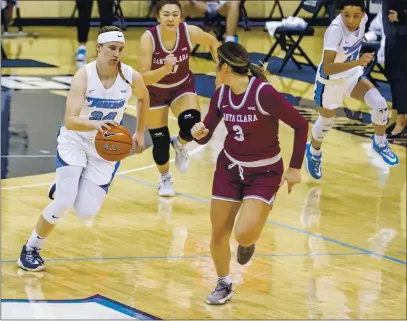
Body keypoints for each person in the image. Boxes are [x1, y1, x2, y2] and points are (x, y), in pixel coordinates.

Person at [17, 26, 150, 272]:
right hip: (75, 139)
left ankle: (61, 185)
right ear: (98, 48)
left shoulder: (131, 76)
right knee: (64, 201)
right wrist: (95, 124)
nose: (116, 54)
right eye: (111, 48)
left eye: (120, 49)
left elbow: (144, 97)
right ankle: (32, 247)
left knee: (86, 212)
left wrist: (140, 131)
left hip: (106, 146)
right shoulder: (84, 76)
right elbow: (70, 119)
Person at [191, 42, 309, 305]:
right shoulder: (220, 95)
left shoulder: (263, 93)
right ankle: (223, 283)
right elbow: (206, 133)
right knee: (219, 231)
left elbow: (301, 125)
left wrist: (294, 168)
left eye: (215, 65)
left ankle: (248, 241)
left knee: (243, 234)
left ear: (224, 68)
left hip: (264, 172)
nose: (213, 69)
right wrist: (198, 134)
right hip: (230, 167)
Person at [306, 0, 399, 180]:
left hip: (351, 75)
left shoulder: (364, 20)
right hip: (330, 81)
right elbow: (327, 67)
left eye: (356, 16)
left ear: (363, 14)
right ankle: (314, 151)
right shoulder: (335, 31)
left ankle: (380, 143)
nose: (351, 20)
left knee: (380, 104)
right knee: (326, 122)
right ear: (341, 13)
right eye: (346, 15)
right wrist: (357, 61)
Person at [138, 0, 219, 197]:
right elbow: (143, 76)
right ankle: (165, 178)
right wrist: (165, 69)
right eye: (166, 14)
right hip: (155, 91)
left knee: (192, 124)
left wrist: (220, 69)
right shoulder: (148, 39)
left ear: (181, 18)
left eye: (175, 14)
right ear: (158, 17)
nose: (171, 18)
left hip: (181, 86)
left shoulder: (189, 32)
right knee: (160, 144)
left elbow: (214, 42)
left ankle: (180, 143)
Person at [382, 0, 407, 138]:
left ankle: (401, 120)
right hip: (393, 30)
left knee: (400, 77)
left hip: (402, 32)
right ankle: (397, 115)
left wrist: (403, 16)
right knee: (393, 74)